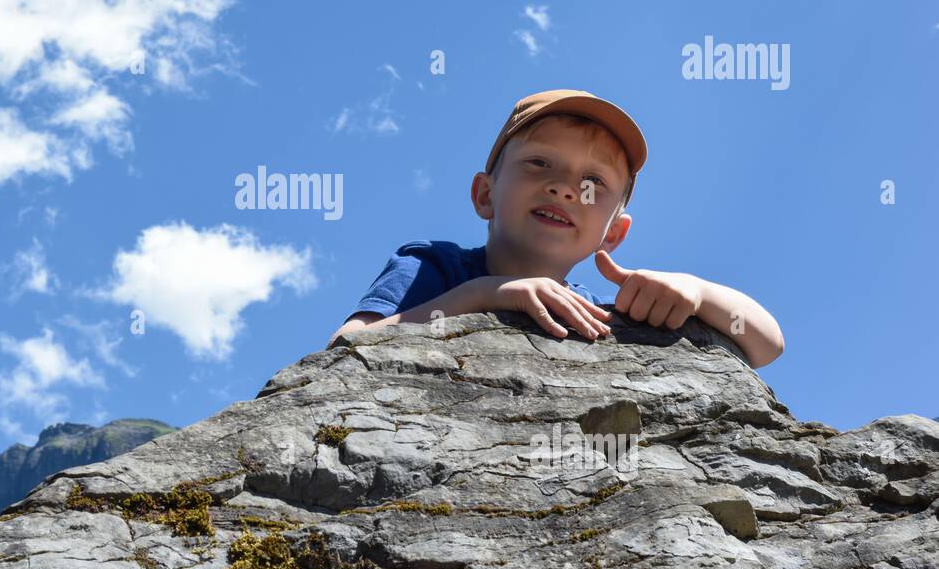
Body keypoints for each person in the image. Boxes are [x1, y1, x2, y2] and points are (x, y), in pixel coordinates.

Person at [326, 89, 784, 368]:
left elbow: (767, 345)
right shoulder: (434, 266)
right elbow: (343, 349)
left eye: (593, 183)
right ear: (486, 195)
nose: (565, 189)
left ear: (613, 234)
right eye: (539, 163)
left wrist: (696, 290)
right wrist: (484, 295)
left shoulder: (596, 311)